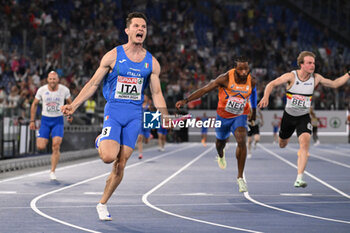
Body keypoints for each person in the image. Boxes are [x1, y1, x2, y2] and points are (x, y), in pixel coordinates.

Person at [61, 12, 169, 221]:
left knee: (120, 164)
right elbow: (93, 84)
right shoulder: (112, 56)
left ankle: (102, 203)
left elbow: (156, 93)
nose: (140, 30)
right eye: (136, 26)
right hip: (114, 111)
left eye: (144, 27)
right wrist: (73, 105)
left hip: (135, 115)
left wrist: (164, 115)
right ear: (127, 30)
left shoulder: (152, 63)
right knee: (108, 157)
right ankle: (101, 139)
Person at [258, 51, 350, 188]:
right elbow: (271, 84)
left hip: (303, 117)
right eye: (309, 63)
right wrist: (265, 97)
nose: (313, 65)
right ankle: (288, 142)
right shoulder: (291, 76)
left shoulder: (316, 78)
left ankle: (299, 177)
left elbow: (335, 83)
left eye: (313, 63)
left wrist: (348, 74)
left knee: (305, 145)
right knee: (282, 144)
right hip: (288, 117)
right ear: (301, 65)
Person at [176, 56, 257, 193]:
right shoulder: (224, 78)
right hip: (223, 117)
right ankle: (220, 155)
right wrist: (186, 100)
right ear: (235, 69)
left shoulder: (252, 81)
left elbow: (253, 94)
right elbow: (204, 90)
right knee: (220, 143)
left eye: (246, 69)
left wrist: (253, 111)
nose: (244, 72)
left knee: (242, 140)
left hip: (240, 116)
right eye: (240, 69)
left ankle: (240, 177)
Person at [29, 71, 73, 180]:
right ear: (47, 80)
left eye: (54, 79)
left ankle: (52, 171)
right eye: (50, 79)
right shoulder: (42, 90)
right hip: (45, 120)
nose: (52, 81)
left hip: (58, 120)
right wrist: (32, 120)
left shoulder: (64, 90)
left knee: (56, 146)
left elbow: (70, 103)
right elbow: (34, 104)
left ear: (57, 79)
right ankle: (46, 138)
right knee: (40, 146)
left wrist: (70, 115)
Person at [137, 95, 152, 159]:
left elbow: (152, 113)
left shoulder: (149, 105)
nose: (144, 98)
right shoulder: (139, 104)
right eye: (143, 97)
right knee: (139, 138)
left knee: (146, 141)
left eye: (145, 97)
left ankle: (149, 137)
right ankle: (140, 154)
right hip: (140, 123)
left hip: (147, 123)